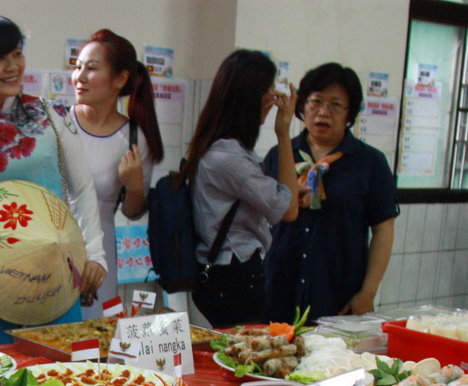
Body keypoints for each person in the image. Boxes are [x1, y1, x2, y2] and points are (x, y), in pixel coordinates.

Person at [0, 14, 107, 344]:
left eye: (16, 54)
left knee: (59, 379)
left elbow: (83, 188)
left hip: (55, 271)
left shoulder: (53, 116)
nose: (12, 66)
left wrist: (94, 254)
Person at [262, 62, 398, 321]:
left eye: (335, 105)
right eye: (316, 102)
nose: (323, 112)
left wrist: (368, 292)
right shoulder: (280, 155)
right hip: (279, 287)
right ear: (302, 106)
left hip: (338, 293)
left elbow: (383, 230)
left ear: (349, 113)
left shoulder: (370, 163)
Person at [183, 49, 301, 329]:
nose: (274, 100)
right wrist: (284, 134)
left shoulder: (213, 146)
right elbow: (289, 210)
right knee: (241, 363)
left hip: (218, 276)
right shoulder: (230, 158)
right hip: (234, 278)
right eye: (269, 90)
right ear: (252, 96)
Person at [71, 29, 163, 316]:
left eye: (92, 68)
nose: (80, 77)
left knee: (88, 339)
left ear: (120, 79)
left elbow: (133, 211)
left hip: (100, 252)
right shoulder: (59, 123)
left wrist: (135, 188)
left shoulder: (134, 138)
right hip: (50, 246)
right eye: (78, 67)